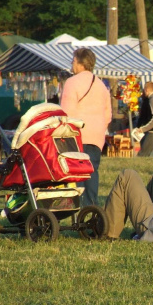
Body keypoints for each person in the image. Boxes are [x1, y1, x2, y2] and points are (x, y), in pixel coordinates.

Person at [60, 48, 111, 207]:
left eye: (73, 61)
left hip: (78, 133)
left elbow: (66, 113)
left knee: (77, 169)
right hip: (96, 134)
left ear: (81, 63)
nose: (72, 64)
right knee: (92, 169)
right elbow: (108, 114)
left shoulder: (71, 82)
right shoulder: (101, 84)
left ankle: (78, 204)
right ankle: (91, 205)